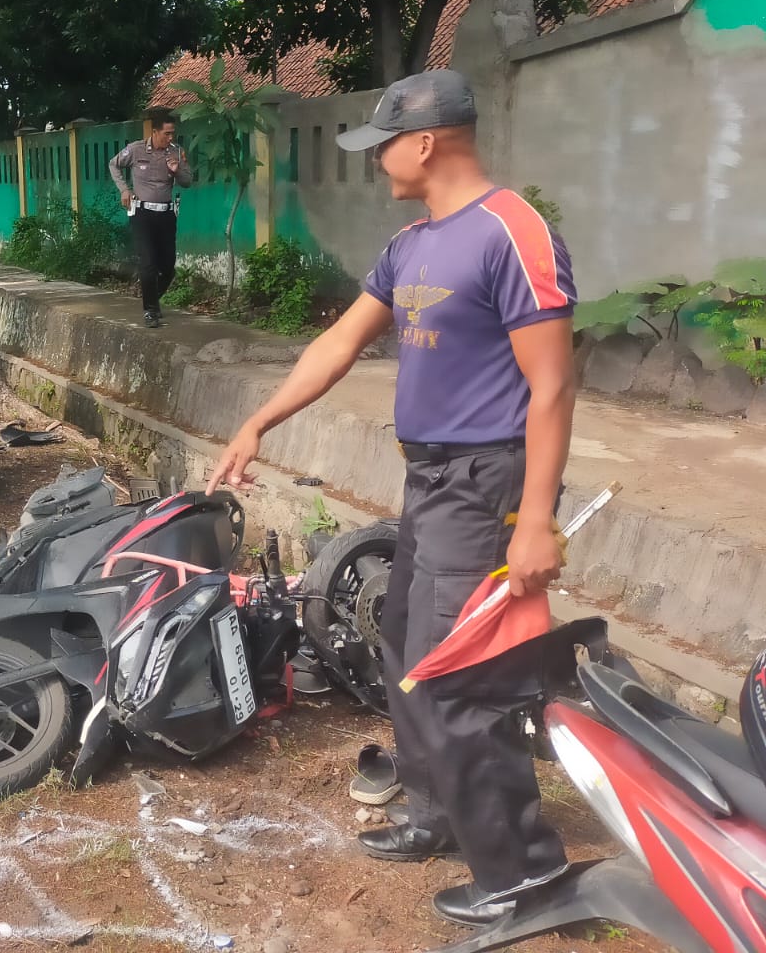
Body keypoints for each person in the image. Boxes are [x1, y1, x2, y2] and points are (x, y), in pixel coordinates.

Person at [206, 69, 576, 928]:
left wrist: (535, 519)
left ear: (426, 142)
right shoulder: (412, 244)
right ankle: (438, 812)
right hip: (431, 481)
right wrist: (258, 421)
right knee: (406, 646)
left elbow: (553, 387)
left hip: (486, 482)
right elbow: (339, 343)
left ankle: (523, 871)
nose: (377, 162)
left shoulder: (512, 232)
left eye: (384, 147)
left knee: (460, 673)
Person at [109, 108, 192, 328]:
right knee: (148, 263)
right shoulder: (136, 149)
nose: (170, 137)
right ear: (155, 132)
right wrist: (124, 189)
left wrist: (176, 170)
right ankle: (151, 311)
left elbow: (187, 181)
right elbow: (113, 164)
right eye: (167, 133)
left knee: (168, 266)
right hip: (142, 214)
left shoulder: (176, 152)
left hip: (166, 214)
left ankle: (152, 298)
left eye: (173, 133)